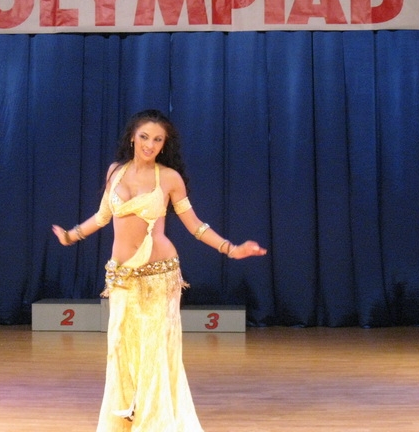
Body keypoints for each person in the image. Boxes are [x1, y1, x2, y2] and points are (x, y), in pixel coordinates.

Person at [52, 109, 267, 431]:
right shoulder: (115, 172)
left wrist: (232, 249)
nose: (149, 145)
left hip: (159, 276)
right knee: (122, 349)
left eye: (157, 140)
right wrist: (71, 236)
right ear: (132, 138)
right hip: (122, 277)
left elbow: (195, 226)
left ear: (164, 145)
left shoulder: (168, 178)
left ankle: (155, 424)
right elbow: (102, 217)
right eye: (144, 137)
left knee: (154, 352)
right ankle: (126, 420)